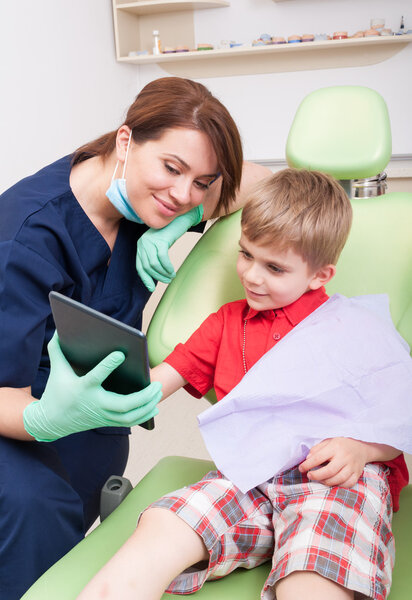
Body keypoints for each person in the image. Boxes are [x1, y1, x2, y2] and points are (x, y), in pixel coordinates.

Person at [78, 168, 408, 600]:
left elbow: (401, 418)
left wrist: (362, 450)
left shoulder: (357, 329)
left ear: (319, 275)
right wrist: (94, 390)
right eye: (246, 254)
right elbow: (155, 384)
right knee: (163, 525)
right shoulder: (226, 324)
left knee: (310, 578)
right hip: (248, 474)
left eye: (274, 267)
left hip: (332, 480)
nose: (252, 275)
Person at [0, 76, 271, 599]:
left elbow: (261, 180)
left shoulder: (150, 203)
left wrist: (186, 217)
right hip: (18, 417)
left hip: (85, 427)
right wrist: (43, 418)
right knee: (34, 516)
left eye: (202, 182)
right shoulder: (23, 239)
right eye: (172, 168)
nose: (182, 193)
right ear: (126, 140)